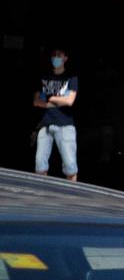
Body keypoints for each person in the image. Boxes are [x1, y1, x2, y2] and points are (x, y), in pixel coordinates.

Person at [32, 47, 79, 181]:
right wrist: (58, 101)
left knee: (70, 167)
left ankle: (72, 194)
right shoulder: (44, 77)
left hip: (65, 125)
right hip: (45, 125)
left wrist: (50, 98)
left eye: (59, 55)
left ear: (65, 58)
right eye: (54, 55)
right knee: (40, 166)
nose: (56, 58)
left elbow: (69, 101)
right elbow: (36, 101)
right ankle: (40, 194)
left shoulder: (71, 78)